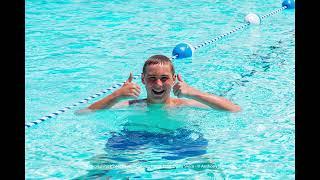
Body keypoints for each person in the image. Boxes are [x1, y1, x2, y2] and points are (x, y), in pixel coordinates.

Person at [76, 55, 241, 114]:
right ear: (142, 80)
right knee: (102, 165)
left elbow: (234, 109)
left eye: (164, 78)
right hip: (136, 138)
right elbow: (83, 112)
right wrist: (116, 95)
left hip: (178, 138)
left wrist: (194, 92)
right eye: (152, 78)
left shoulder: (184, 104)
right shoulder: (131, 105)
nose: (158, 84)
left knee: (206, 166)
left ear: (174, 79)